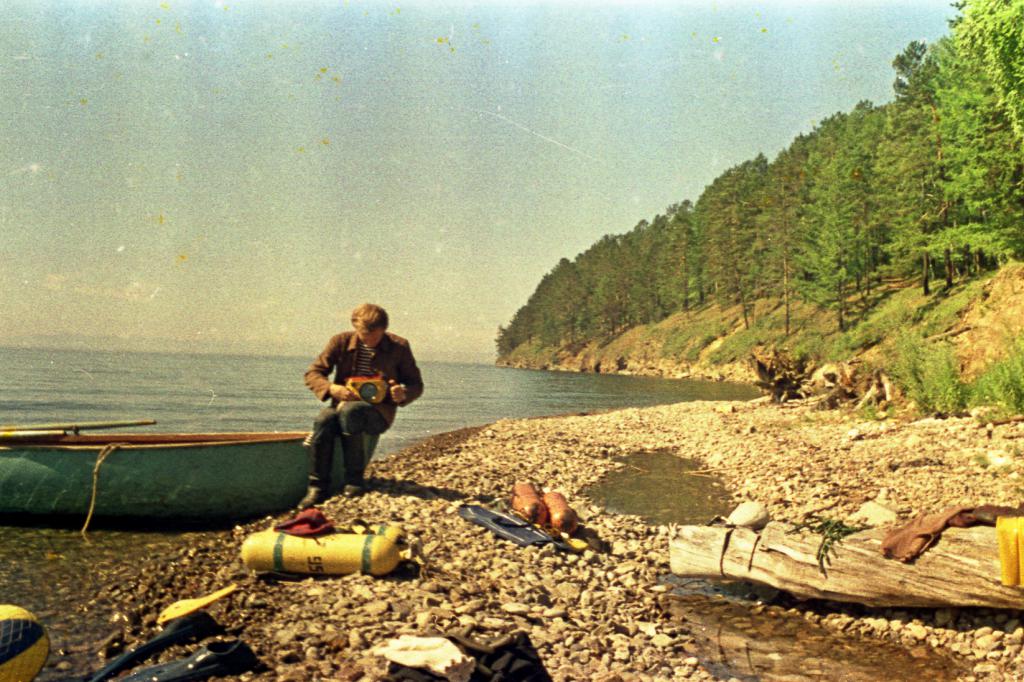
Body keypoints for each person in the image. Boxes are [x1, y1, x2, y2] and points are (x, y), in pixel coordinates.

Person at [300, 303, 423, 507]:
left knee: (352, 410)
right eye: (363, 336)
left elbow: (416, 385)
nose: (369, 341)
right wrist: (331, 388)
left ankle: (355, 480)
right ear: (355, 328)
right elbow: (313, 373)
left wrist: (402, 394)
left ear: (384, 329)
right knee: (323, 419)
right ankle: (317, 487)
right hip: (341, 408)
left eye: (374, 336)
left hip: (379, 413)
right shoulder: (341, 341)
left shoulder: (399, 346)